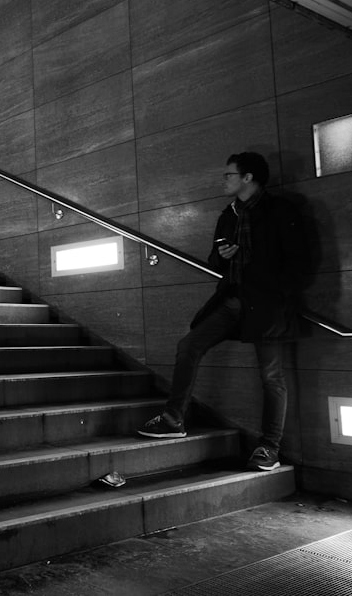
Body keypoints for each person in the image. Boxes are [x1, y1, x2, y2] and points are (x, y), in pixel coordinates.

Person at [137, 151, 307, 472]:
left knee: (272, 376)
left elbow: (299, 261)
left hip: (268, 305)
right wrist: (223, 254)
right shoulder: (229, 214)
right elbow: (214, 260)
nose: (223, 180)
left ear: (248, 177)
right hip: (232, 299)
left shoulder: (281, 210)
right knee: (189, 344)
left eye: (229, 174)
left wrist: (277, 292)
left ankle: (269, 447)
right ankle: (174, 419)